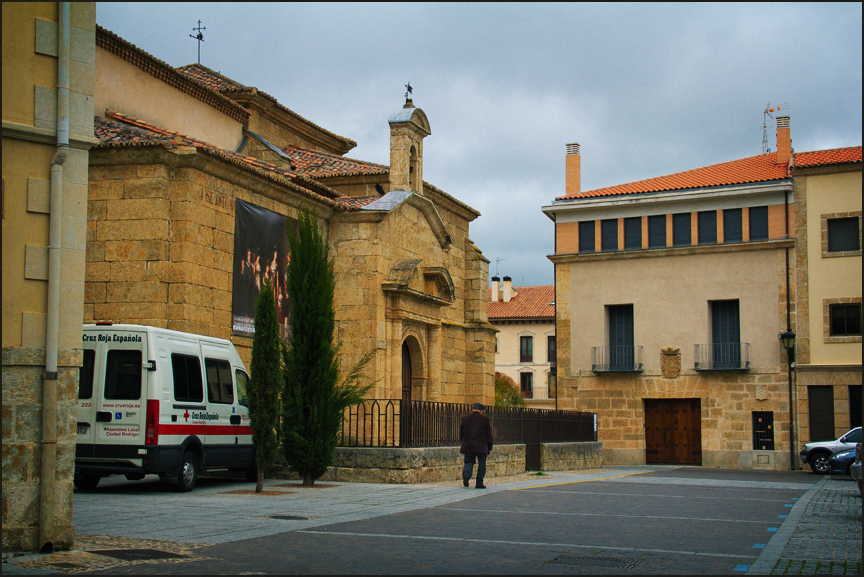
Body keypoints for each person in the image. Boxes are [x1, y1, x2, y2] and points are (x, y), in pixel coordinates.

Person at [459, 402, 494, 489]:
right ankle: (479, 482)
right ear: (481, 411)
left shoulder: (465, 418)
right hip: (481, 445)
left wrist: (463, 442)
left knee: (469, 461)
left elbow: (461, 433)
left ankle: (467, 473)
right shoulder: (485, 419)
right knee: (482, 463)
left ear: (472, 409)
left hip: (468, 445)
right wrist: (490, 446)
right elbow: (489, 434)